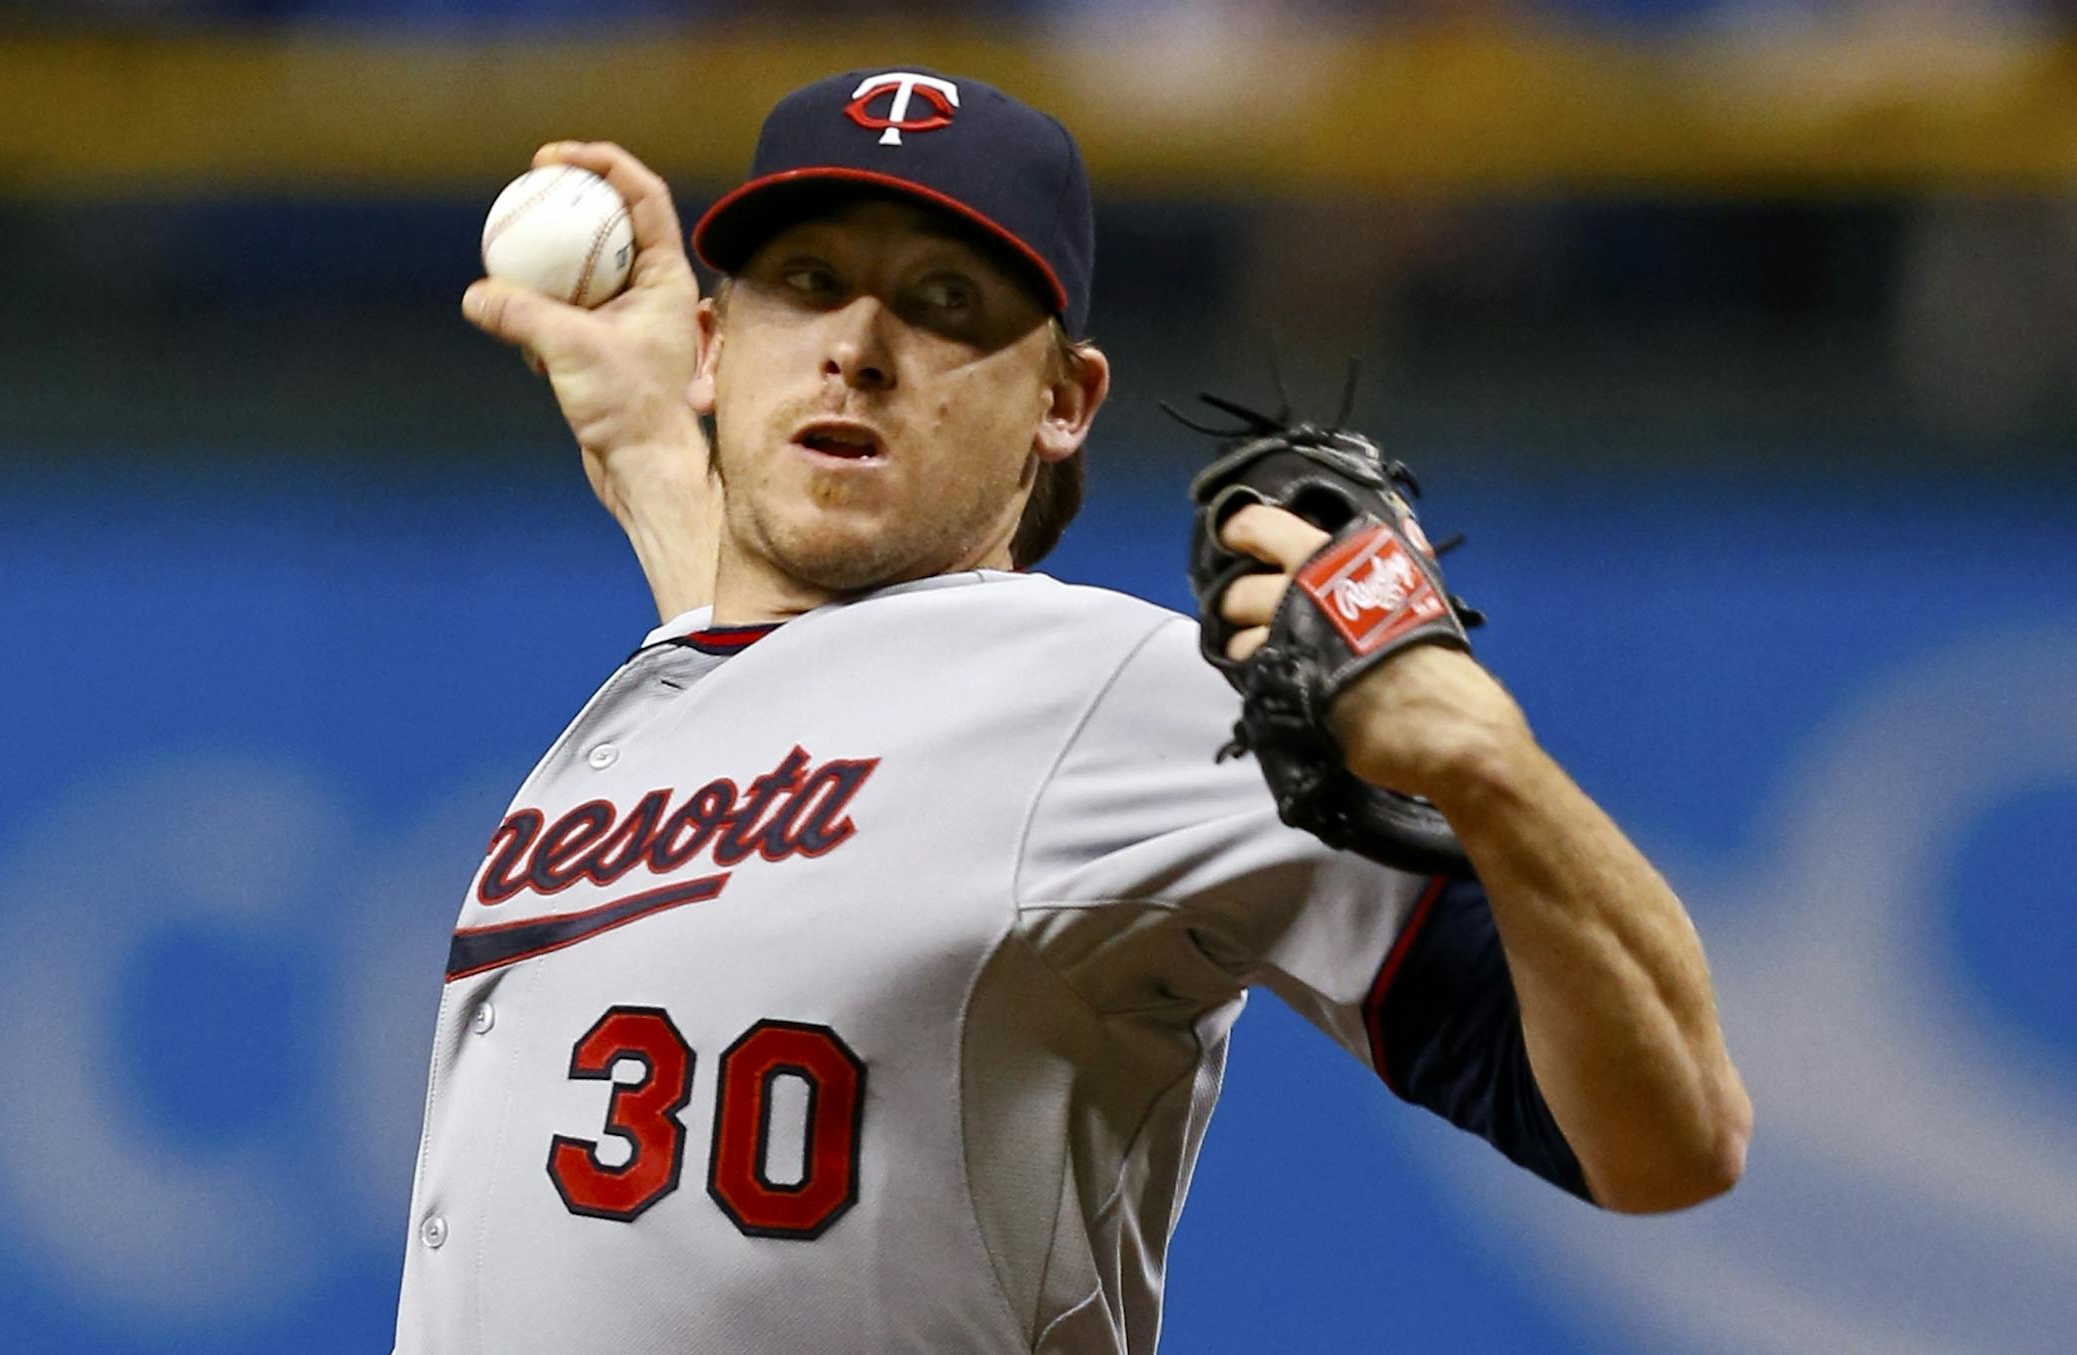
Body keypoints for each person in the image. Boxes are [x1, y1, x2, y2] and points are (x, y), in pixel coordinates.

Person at [399, 67, 1750, 1354]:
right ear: (712, 344)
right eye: (805, 286)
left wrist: (1492, 768)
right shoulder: (682, 685)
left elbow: (1673, 1134)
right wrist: (649, 454)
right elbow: (793, 677)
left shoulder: (1121, 696)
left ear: (1063, 402)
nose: (857, 348)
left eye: (943, 301)